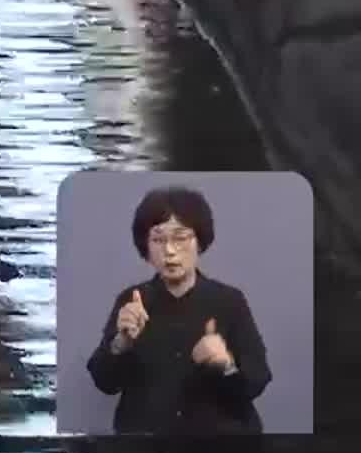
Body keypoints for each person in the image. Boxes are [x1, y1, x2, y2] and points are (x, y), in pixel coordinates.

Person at [86, 185, 271, 434]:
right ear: (146, 247)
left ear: (200, 242)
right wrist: (121, 343)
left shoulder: (230, 301)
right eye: (158, 239)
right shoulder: (130, 301)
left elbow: (257, 381)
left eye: (181, 238)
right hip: (147, 452)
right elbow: (104, 383)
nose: (170, 251)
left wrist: (225, 364)